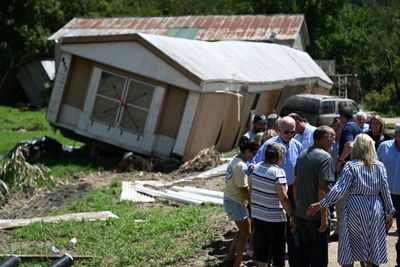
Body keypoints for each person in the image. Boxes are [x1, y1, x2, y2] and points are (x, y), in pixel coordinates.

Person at [307, 134, 395, 267]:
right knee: (371, 247)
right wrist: (389, 212)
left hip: (355, 208)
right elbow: (385, 191)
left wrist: (322, 203)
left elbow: (339, 189)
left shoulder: (351, 166)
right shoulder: (380, 166)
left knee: (349, 246)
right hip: (375, 207)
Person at [252, 116, 303, 267]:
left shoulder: (298, 145)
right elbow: (254, 164)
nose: (289, 134)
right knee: (273, 236)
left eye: (292, 132)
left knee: (293, 231)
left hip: (292, 189)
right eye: (286, 131)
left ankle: (294, 261)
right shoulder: (270, 145)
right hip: (273, 191)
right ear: (279, 130)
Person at [293, 125, 336, 267]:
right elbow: (322, 188)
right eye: (332, 138)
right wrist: (324, 215)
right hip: (317, 218)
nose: (334, 142)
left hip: (302, 214)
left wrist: (298, 206)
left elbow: (296, 184)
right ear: (324, 138)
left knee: (304, 255)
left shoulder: (303, 154)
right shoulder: (325, 158)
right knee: (319, 258)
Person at [250, 143, 296, 267]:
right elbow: (284, 198)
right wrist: (292, 216)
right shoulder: (278, 172)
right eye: (284, 157)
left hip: (258, 215)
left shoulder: (256, 167)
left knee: (262, 251)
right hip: (275, 219)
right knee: (278, 252)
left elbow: (251, 189)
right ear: (279, 157)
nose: (284, 159)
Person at [224, 136, 260, 267]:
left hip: (231, 200)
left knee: (242, 231)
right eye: (254, 153)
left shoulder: (235, 160)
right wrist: (251, 202)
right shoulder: (240, 165)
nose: (254, 156)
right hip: (236, 202)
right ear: (248, 151)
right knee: (246, 233)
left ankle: (230, 256)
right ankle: (238, 263)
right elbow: (243, 187)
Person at [377, 122, 400, 267]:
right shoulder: (384, 147)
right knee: (379, 231)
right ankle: (375, 261)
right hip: (385, 196)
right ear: (396, 134)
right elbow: (375, 169)